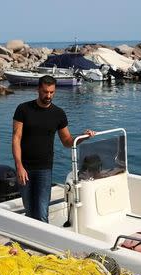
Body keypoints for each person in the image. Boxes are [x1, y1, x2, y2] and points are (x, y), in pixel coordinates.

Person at [12, 75, 95, 222]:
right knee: (30, 211)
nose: (48, 95)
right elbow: (16, 138)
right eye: (45, 92)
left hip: (45, 168)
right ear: (38, 89)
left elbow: (67, 141)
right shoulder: (23, 109)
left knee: (42, 212)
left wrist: (84, 137)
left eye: (51, 92)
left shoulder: (59, 114)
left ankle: (42, 240)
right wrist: (19, 166)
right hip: (24, 168)